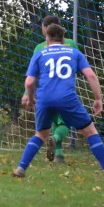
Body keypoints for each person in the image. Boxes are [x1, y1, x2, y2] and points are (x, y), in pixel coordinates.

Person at [13, 23, 104, 181]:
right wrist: (98, 98)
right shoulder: (74, 52)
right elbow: (91, 76)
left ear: (47, 38)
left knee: (41, 134)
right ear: (63, 39)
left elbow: (29, 82)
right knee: (90, 132)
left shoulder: (40, 53)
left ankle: (21, 168)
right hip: (67, 98)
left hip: (44, 99)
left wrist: (30, 99)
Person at [21, 16, 79, 164]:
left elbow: (31, 76)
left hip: (45, 93)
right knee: (65, 122)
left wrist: (27, 94)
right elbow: (78, 68)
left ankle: (57, 155)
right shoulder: (71, 44)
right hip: (65, 91)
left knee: (49, 124)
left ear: (45, 28)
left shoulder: (39, 48)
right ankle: (57, 141)